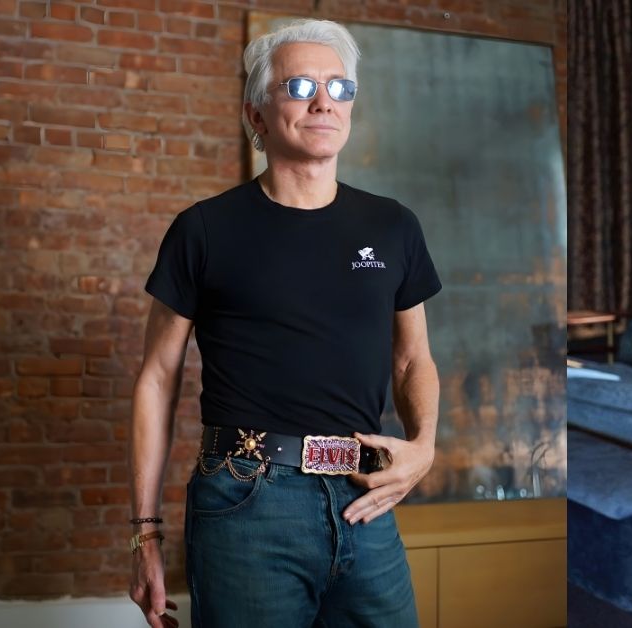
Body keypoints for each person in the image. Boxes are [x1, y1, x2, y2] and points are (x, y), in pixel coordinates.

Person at [128, 19, 440, 628]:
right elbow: (157, 379)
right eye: (299, 85)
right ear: (257, 115)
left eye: (340, 87)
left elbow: (412, 359)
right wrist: (144, 535)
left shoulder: (393, 226)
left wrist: (424, 446)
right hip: (247, 501)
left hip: (364, 496)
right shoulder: (205, 229)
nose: (325, 100)